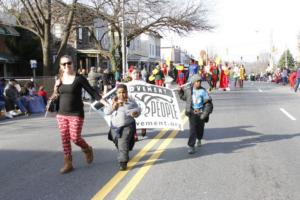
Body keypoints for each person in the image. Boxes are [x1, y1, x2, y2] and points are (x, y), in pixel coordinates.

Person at [54, 55, 101, 174]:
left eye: (68, 63)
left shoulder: (79, 78)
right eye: (63, 64)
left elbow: (91, 91)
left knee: (75, 137)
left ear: (73, 64)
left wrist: (103, 101)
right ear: (60, 66)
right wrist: (56, 86)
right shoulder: (59, 78)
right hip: (61, 113)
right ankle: (68, 163)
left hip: (76, 113)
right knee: (64, 138)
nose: (66, 66)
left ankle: (87, 149)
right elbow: (56, 95)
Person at [102, 84, 141, 170]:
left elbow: (138, 109)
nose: (121, 94)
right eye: (119, 92)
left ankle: (123, 162)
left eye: (123, 92)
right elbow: (106, 112)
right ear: (116, 93)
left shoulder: (131, 101)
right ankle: (124, 150)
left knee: (123, 142)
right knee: (118, 142)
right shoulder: (113, 101)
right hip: (115, 127)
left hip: (127, 126)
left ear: (126, 92)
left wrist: (135, 113)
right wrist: (113, 107)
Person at [179, 74, 212, 154]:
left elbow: (208, 103)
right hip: (192, 112)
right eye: (197, 82)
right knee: (192, 130)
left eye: (200, 82)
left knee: (200, 129)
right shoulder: (189, 90)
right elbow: (184, 98)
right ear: (193, 82)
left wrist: (205, 113)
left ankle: (199, 138)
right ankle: (191, 146)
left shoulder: (203, 91)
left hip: (201, 112)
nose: (199, 83)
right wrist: (180, 91)